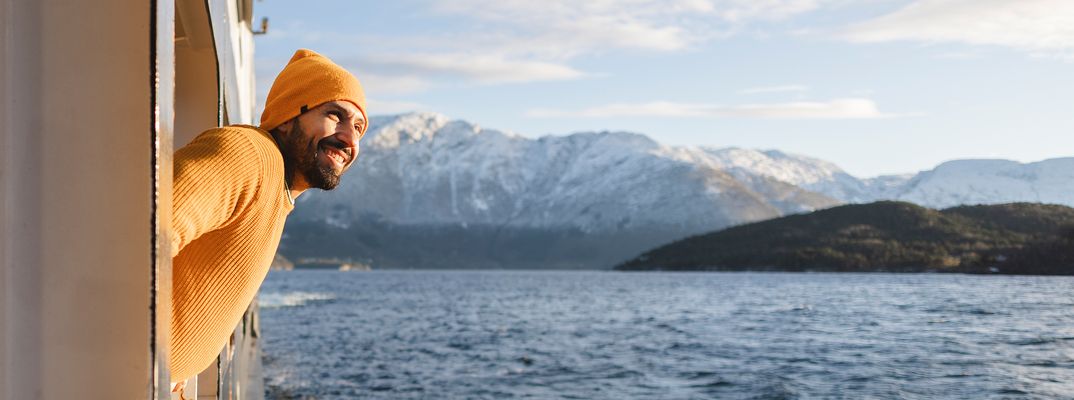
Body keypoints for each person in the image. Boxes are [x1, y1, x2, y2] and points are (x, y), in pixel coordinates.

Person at [168, 49, 368, 386]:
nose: (350, 138)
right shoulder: (249, 155)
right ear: (288, 117)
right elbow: (142, 233)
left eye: (359, 128)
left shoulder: (277, 189)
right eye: (335, 115)